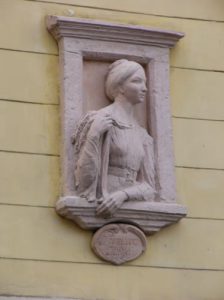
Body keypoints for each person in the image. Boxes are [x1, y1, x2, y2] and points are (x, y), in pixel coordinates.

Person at [72, 59, 156, 218]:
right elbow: (84, 182)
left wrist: (123, 195)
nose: (144, 88)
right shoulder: (99, 119)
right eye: (137, 81)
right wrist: (94, 135)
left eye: (144, 83)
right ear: (120, 86)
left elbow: (149, 186)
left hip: (126, 199)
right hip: (104, 198)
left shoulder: (142, 134)